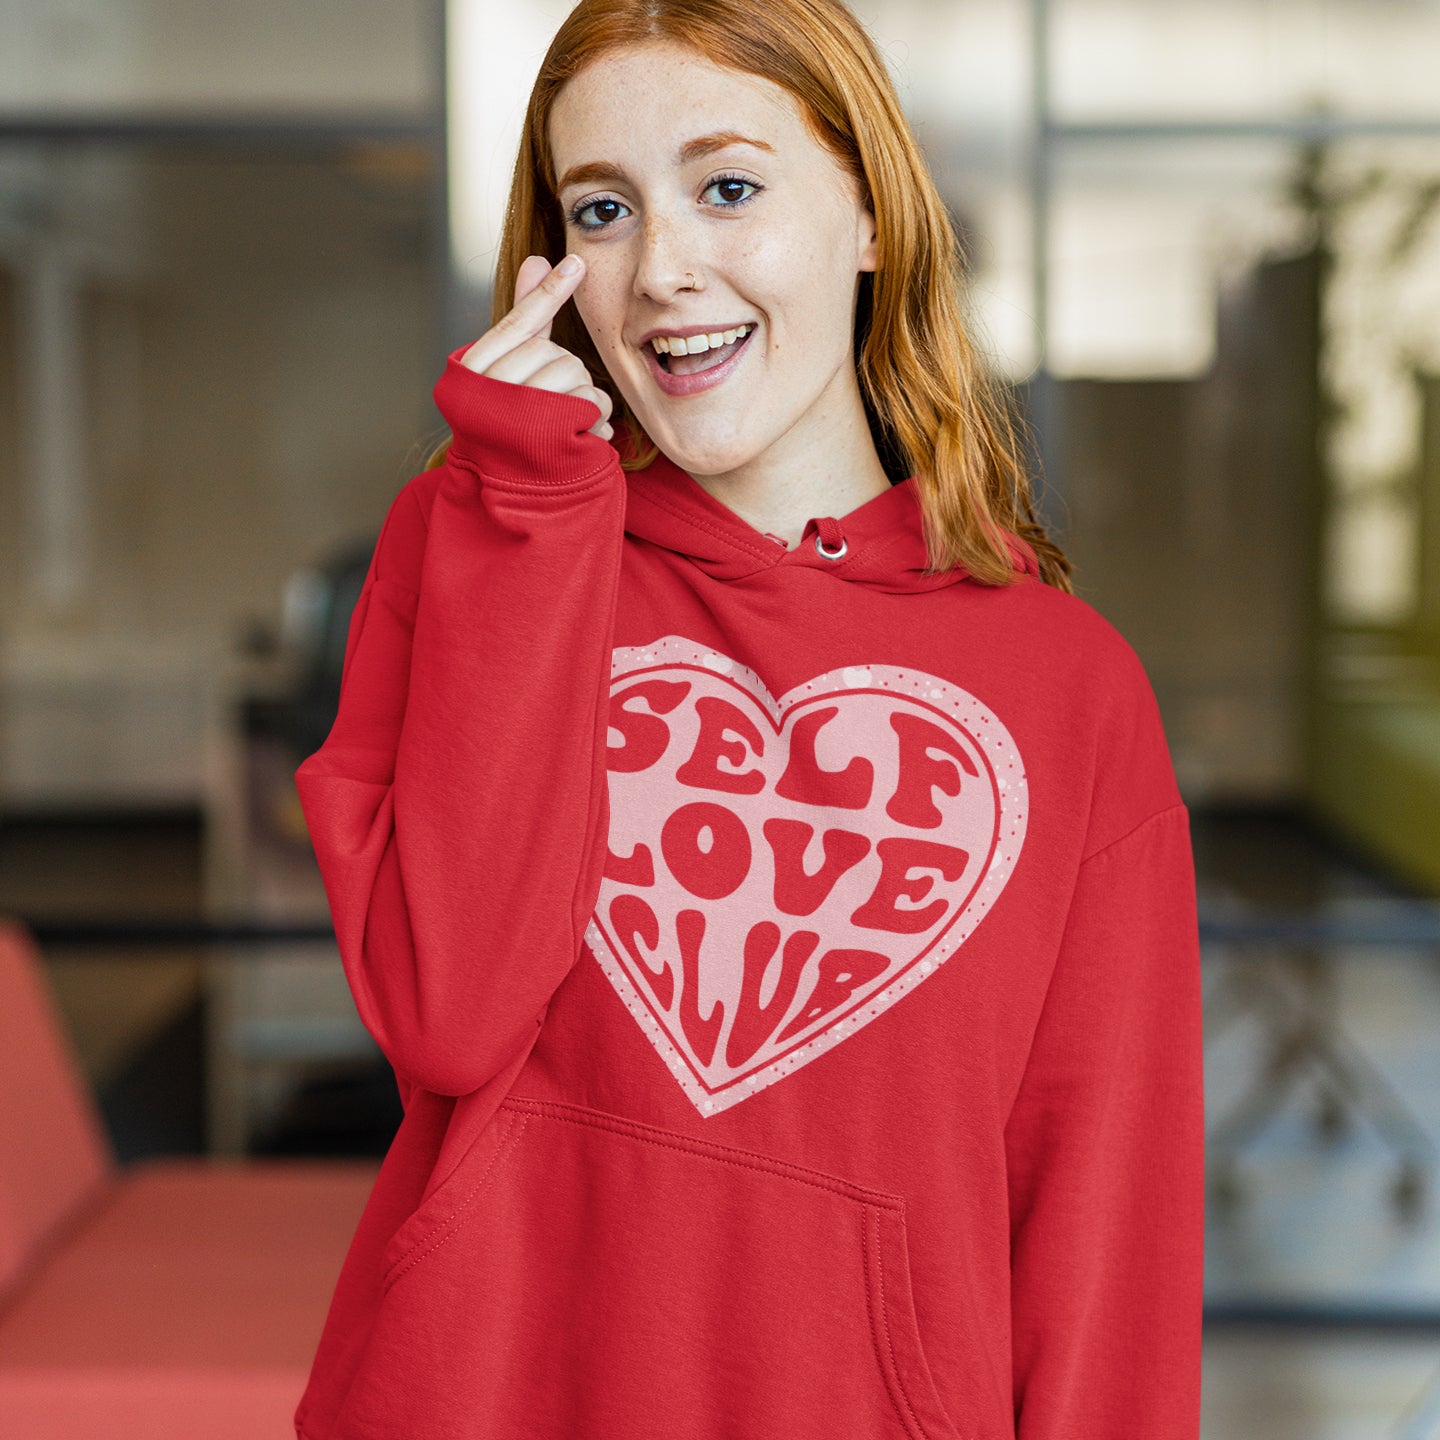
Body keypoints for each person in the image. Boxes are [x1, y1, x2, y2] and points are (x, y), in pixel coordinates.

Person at [291, 0, 1205, 1436]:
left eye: (729, 187)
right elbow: (450, 1024)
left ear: (869, 217)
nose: (663, 268)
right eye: (604, 210)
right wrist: (529, 517)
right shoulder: (478, 551)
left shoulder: (1066, 685)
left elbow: (1105, 1212)